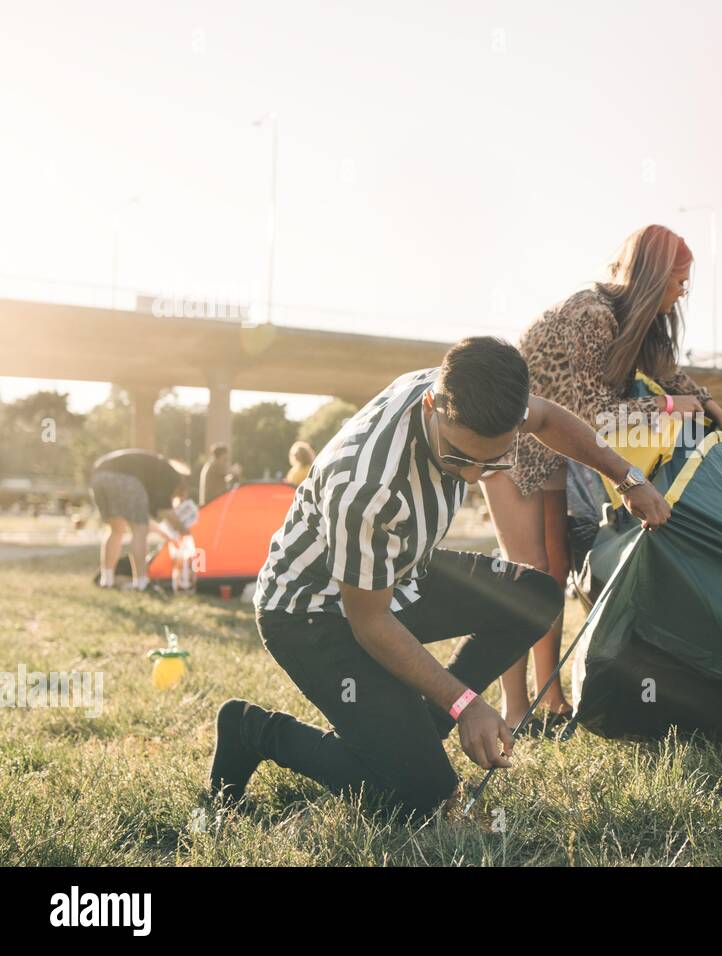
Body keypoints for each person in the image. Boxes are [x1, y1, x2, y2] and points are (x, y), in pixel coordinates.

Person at [210, 336, 671, 816]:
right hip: (314, 610)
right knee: (419, 798)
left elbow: (550, 417)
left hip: (400, 571)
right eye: (457, 458)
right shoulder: (367, 485)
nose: (473, 477)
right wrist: (465, 703)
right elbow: (369, 621)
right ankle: (253, 730)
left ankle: (413, 734)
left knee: (535, 596)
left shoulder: (475, 392)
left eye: (492, 461)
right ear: (432, 405)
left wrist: (627, 477)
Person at [483, 224, 722, 730]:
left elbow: (677, 378)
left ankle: (551, 697)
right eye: (678, 281)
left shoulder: (635, 325)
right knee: (526, 572)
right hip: (508, 440)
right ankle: (515, 708)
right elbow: (596, 411)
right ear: (652, 275)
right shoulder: (593, 312)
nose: (682, 293)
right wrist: (672, 407)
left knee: (551, 576)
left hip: (551, 446)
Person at [89, 449, 193, 590]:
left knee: (116, 529)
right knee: (139, 531)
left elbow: (144, 518)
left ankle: (106, 580)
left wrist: (163, 533)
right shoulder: (172, 476)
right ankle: (142, 582)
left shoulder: (151, 475)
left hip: (99, 476)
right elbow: (165, 513)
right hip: (123, 478)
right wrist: (185, 532)